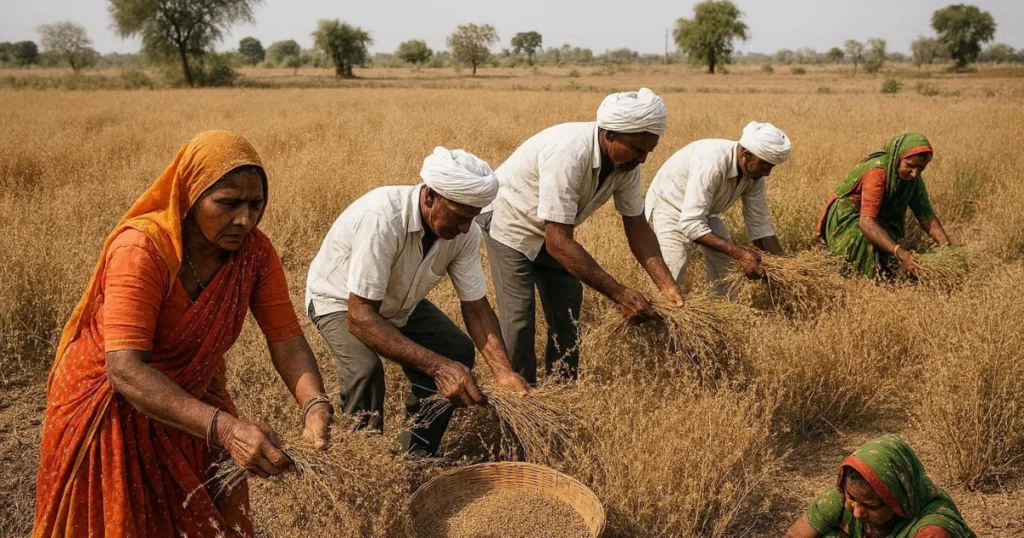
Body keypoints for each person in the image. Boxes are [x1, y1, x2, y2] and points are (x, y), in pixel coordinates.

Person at [32, 131, 333, 538]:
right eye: (228, 203)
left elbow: (286, 339)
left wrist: (314, 402)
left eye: (255, 204)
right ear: (190, 196)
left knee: (206, 519)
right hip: (111, 408)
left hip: (192, 399)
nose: (245, 219)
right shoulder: (142, 249)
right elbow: (124, 369)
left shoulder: (255, 253)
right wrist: (226, 430)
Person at [305, 147, 530, 456]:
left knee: (456, 349)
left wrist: (503, 371)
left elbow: (476, 307)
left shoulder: (463, 233)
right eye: (459, 216)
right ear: (430, 196)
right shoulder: (383, 218)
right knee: (365, 371)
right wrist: (438, 368)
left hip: (396, 301)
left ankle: (416, 455)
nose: (465, 228)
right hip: (341, 300)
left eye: (472, 218)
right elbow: (360, 316)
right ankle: (365, 462)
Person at [478, 87, 685, 384]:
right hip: (509, 222)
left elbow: (637, 225)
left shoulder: (626, 164)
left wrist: (668, 286)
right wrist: (620, 294)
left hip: (551, 229)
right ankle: (520, 395)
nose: (642, 159)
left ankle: (562, 387)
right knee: (519, 319)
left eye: (648, 152)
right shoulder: (569, 153)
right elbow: (558, 242)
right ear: (610, 135)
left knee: (568, 307)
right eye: (638, 149)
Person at [645, 121, 792, 293]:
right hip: (669, 206)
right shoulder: (712, 163)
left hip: (702, 213)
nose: (767, 173)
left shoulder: (754, 175)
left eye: (771, 167)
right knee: (671, 276)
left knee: (727, 269)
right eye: (764, 166)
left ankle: (723, 307)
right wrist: (740, 254)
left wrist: (785, 269)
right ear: (746, 155)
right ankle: (664, 309)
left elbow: (760, 225)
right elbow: (691, 224)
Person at [783, 435, 976, 538]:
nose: (857, 512)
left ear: (898, 500)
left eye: (870, 506)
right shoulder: (840, 499)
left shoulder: (932, 531)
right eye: (851, 499)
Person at [817, 132, 951, 278]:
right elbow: (866, 223)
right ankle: (858, 278)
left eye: (921, 167)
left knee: (884, 242)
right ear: (897, 158)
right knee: (864, 238)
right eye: (910, 166)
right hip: (848, 218)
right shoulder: (877, 173)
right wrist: (899, 252)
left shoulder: (913, 181)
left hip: (872, 218)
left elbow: (926, 217)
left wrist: (946, 246)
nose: (915, 173)